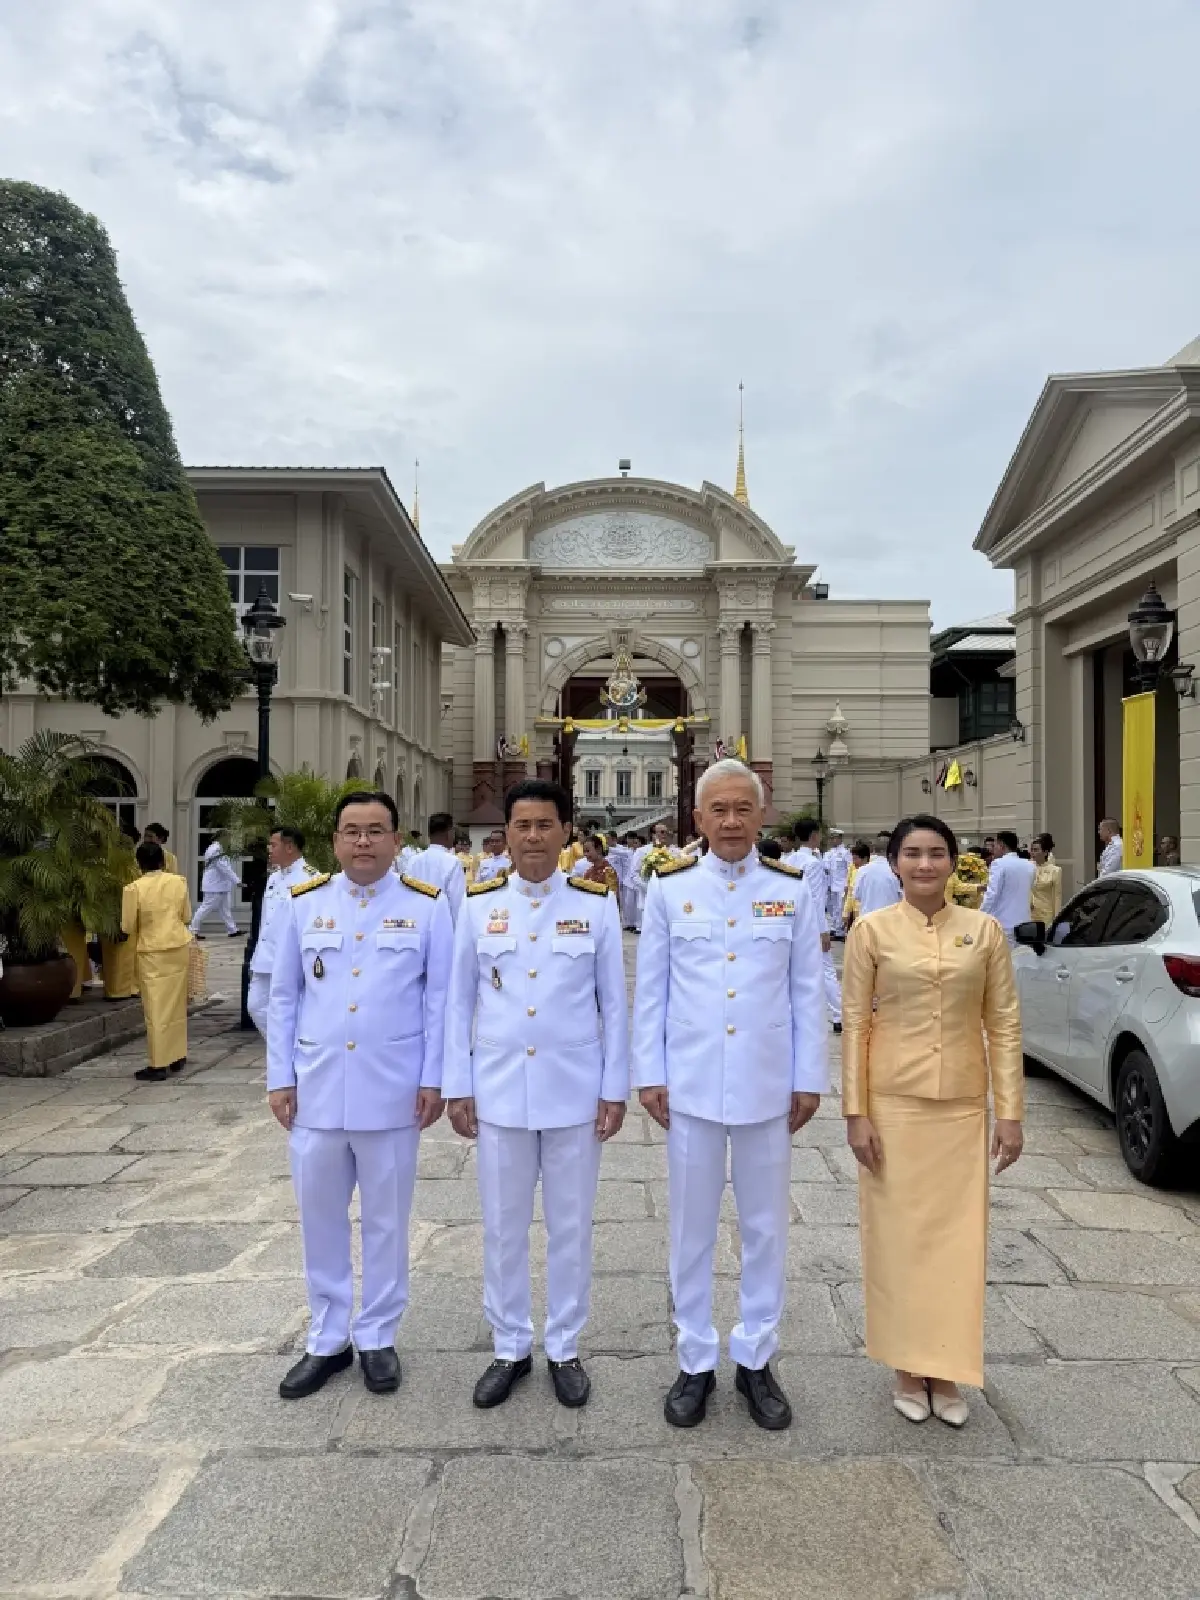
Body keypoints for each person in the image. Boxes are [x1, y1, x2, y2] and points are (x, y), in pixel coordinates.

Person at [632, 759, 827, 1431]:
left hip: (768, 1084)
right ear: (699, 819)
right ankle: (693, 1360)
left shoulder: (794, 890)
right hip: (689, 1084)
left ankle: (754, 1358)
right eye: (720, 809)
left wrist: (809, 1079)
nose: (733, 820)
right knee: (690, 1230)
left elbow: (808, 989)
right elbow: (650, 991)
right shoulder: (668, 890)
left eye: (745, 807)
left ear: (761, 814)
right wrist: (648, 1072)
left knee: (765, 1228)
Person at [444, 779, 629, 1409]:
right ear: (507, 832)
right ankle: (509, 1346)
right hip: (498, 1090)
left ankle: (565, 1346)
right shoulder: (476, 904)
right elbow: (457, 1003)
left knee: (571, 1226)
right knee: (503, 1226)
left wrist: (614, 1088)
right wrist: (457, 1085)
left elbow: (615, 1006)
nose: (532, 836)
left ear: (564, 832)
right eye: (522, 824)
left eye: (545, 824)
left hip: (575, 1091)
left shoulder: (596, 905)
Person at [267, 790, 453, 1400]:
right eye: (352, 831)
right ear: (335, 842)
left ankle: (376, 1334)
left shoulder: (426, 908)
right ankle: (327, 1337)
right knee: (319, 1218)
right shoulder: (303, 904)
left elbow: (439, 1002)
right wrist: (280, 1076)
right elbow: (284, 997)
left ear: (398, 840)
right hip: (317, 1091)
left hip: (393, 1092)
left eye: (376, 830)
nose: (364, 842)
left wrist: (433, 1079)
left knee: (385, 1221)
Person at [841, 814, 1023, 1428]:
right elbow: (855, 1025)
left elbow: (1003, 1024)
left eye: (937, 853)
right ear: (893, 863)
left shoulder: (985, 931)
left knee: (956, 1241)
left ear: (954, 863)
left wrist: (1011, 1113)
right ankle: (903, 1364)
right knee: (896, 1239)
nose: (925, 864)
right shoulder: (872, 932)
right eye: (912, 854)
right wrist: (856, 1111)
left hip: (962, 1106)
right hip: (892, 1103)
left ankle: (946, 1370)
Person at [121, 840, 193, 1082]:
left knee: (155, 1008)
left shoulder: (133, 889)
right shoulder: (178, 882)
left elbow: (128, 926)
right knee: (175, 1003)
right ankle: (177, 1055)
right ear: (163, 860)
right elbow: (187, 915)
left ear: (138, 863)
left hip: (153, 950)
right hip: (178, 945)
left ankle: (159, 1062)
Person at [246, 826, 313, 1037]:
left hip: (290, 958)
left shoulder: (310, 879)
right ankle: (286, 1047)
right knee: (255, 1006)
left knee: (290, 1009)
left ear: (290, 847)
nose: (269, 848)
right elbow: (266, 919)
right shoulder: (274, 878)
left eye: (273, 844)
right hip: (265, 957)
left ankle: (290, 1053)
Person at [786, 822, 842, 1033]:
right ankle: (839, 1014)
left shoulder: (791, 859)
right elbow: (816, 898)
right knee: (826, 970)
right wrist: (823, 929)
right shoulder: (813, 862)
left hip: (791, 919)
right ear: (814, 836)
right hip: (810, 922)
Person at [101, 825, 143, 1000]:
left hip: (117, 911)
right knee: (122, 953)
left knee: (121, 953)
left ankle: (121, 988)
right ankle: (123, 989)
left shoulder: (112, 860)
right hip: (120, 910)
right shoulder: (126, 863)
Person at [407, 812, 467, 924]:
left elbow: (406, 895)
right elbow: (457, 903)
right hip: (442, 924)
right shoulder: (452, 862)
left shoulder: (413, 861)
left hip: (417, 923)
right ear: (450, 833)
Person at [979, 830, 1037, 945]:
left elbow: (992, 895)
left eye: (994, 845)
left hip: (1003, 923)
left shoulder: (998, 864)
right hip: (1025, 923)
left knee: (1003, 961)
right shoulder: (1030, 865)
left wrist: (980, 916)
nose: (992, 849)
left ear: (1001, 846)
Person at [189, 839, 241, 938]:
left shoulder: (219, 849)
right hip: (214, 886)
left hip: (220, 885)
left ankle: (232, 930)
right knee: (205, 908)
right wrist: (237, 881)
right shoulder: (215, 850)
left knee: (225, 909)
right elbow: (224, 867)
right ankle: (193, 930)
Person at [1028, 833, 1063, 926]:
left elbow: (1057, 896)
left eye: (1036, 850)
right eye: (1031, 850)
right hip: (1029, 912)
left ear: (1045, 852)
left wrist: (1057, 918)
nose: (1033, 853)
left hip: (1046, 913)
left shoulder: (1055, 870)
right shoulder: (1027, 867)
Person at [825, 828, 852, 938]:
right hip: (831, 885)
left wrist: (847, 884)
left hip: (842, 885)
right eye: (831, 838)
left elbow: (850, 868)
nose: (832, 840)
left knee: (840, 908)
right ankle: (834, 928)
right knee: (832, 907)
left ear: (840, 838)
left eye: (835, 838)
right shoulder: (829, 853)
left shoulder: (845, 853)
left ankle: (840, 931)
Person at [841, 840, 872, 929]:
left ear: (865, 858)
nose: (853, 862)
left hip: (869, 912)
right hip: (855, 911)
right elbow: (850, 893)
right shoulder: (854, 870)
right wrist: (846, 912)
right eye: (852, 858)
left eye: (855, 859)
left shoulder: (873, 873)